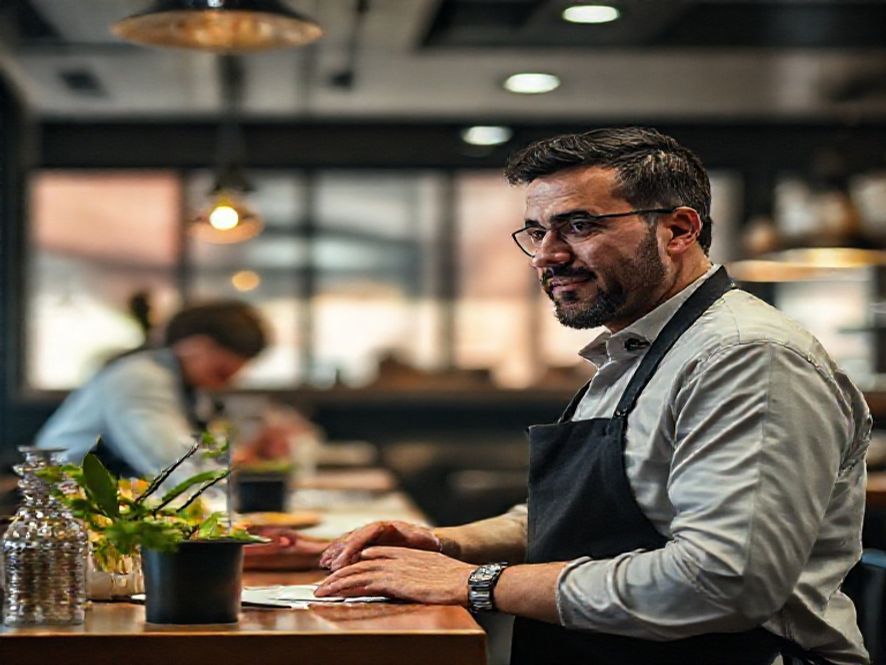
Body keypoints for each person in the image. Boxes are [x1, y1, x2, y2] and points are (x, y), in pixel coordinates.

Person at [314, 128, 871, 665]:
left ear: (677, 230)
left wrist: (477, 583)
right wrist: (445, 543)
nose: (546, 255)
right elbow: (583, 521)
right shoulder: (638, 350)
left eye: (578, 226)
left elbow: (720, 583)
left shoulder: (746, 357)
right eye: (537, 231)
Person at [36, 299, 283, 477]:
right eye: (222, 372)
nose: (228, 383)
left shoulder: (177, 382)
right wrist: (241, 459)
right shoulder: (140, 379)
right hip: (67, 511)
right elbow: (172, 465)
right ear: (196, 346)